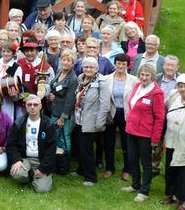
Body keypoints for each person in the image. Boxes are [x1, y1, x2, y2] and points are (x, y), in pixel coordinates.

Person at [122, 64, 165, 202]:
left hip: (146, 134)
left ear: (152, 77)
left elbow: (160, 117)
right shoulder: (137, 87)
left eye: (147, 75)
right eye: (142, 74)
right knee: (132, 159)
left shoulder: (157, 93)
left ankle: (144, 191)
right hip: (131, 130)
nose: (144, 77)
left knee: (146, 163)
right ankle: (135, 185)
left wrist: (155, 138)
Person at [160, 74, 185, 210]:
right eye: (180, 86)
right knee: (171, 171)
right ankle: (172, 195)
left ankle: (183, 200)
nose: (183, 89)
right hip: (172, 142)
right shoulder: (175, 100)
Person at [72, 56, 112, 187]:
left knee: (87, 149)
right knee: (80, 147)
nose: (88, 69)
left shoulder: (102, 82)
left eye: (91, 67)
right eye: (86, 66)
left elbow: (105, 105)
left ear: (97, 68)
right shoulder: (80, 78)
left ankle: (90, 177)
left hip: (92, 121)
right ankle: (81, 170)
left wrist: (99, 123)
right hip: (79, 119)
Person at [7, 94, 56, 193]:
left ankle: (39, 175)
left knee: (42, 189)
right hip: (25, 158)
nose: (32, 107)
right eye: (29, 104)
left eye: (35, 104)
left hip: (41, 160)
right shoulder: (20, 122)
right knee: (17, 173)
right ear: (25, 106)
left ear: (40, 106)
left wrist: (43, 169)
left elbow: (51, 149)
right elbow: (11, 144)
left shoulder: (48, 124)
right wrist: (17, 160)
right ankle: (28, 176)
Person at [102, 54, 138, 180]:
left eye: (124, 64)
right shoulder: (106, 79)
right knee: (109, 141)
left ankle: (127, 169)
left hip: (127, 114)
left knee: (126, 142)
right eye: (118, 63)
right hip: (111, 113)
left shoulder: (134, 80)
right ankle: (109, 167)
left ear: (128, 65)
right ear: (115, 64)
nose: (121, 66)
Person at [48, 49, 78, 158]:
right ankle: (55, 159)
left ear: (72, 63)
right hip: (54, 110)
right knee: (54, 136)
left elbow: (70, 100)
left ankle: (65, 161)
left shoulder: (73, 79)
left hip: (63, 114)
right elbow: (55, 89)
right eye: (63, 59)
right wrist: (52, 95)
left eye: (69, 60)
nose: (65, 62)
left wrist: (63, 117)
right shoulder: (59, 72)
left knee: (64, 137)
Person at [0, 41, 23, 122]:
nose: (5, 54)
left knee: (6, 121)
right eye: (4, 51)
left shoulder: (16, 67)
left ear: (13, 53)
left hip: (7, 100)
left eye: (8, 51)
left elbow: (17, 84)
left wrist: (13, 93)